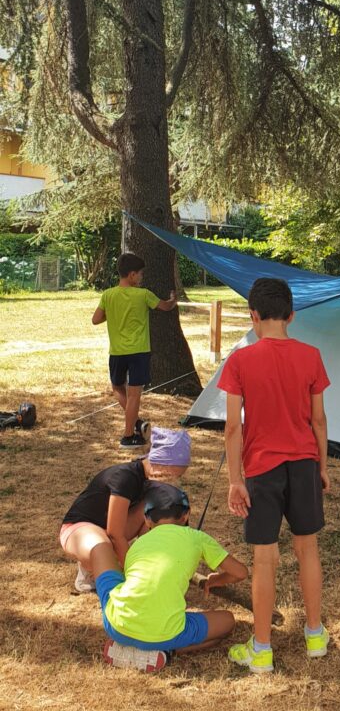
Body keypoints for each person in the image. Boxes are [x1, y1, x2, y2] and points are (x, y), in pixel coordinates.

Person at [219, 277, 331, 674]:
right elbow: (318, 420)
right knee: (308, 550)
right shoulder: (312, 356)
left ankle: (262, 648)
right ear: (291, 315)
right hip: (303, 464)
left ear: (253, 316)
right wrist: (322, 466)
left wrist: (236, 480)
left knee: (265, 558)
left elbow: (233, 428)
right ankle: (315, 635)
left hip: (262, 470)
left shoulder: (240, 360)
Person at [95, 482, 248, 672]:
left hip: (117, 627)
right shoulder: (198, 537)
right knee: (228, 621)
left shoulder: (138, 543)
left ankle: (131, 647)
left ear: (147, 520)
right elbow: (241, 572)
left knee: (104, 565)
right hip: (164, 634)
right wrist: (215, 580)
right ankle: (165, 652)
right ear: (186, 515)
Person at [60, 427, 192, 593]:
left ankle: (124, 565)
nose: (174, 481)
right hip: (79, 529)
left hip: (108, 530)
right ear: (159, 464)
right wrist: (134, 574)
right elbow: (115, 534)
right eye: (173, 475)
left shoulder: (152, 481)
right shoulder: (125, 478)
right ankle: (99, 577)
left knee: (162, 512)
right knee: (102, 546)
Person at [92, 252, 177, 447]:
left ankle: (136, 423)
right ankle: (128, 436)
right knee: (134, 395)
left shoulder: (108, 295)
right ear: (131, 275)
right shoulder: (143, 294)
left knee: (117, 387)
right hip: (139, 352)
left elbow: (95, 319)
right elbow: (164, 307)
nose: (141, 277)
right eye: (140, 274)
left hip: (117, 352)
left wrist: (112, 313)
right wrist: (172, 300)